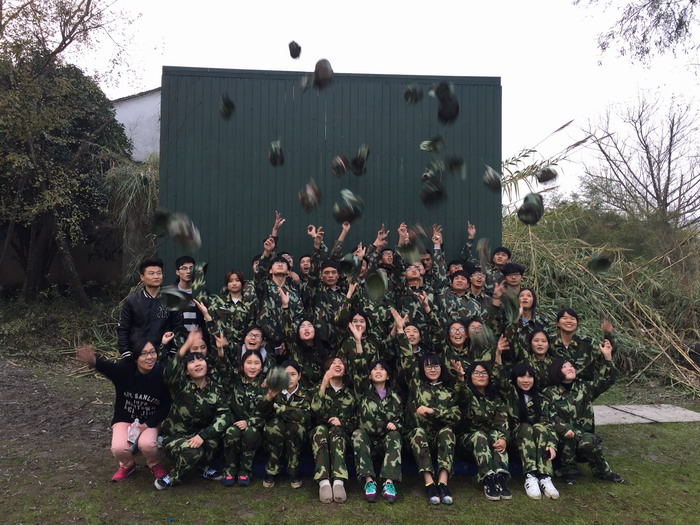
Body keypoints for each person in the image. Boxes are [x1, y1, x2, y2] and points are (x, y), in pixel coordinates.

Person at [75, 338, 170, 483]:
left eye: (152, 352)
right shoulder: (125, 371)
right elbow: (108, 368)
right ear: (136, 357)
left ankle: (154, 464)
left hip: (149, 420)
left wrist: (147, 424)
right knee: (119, 448)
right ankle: (128, 465)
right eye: (144, 353)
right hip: (125, 418)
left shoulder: (162, 375)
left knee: (147, 444)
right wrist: (93, 360)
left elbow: (166, 405)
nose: (149, 357)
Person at [542, 338, 624, 485]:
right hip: (560, 440)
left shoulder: (584, 388)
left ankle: (603, 471)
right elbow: (549, 416)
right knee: (567, 434)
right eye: (564, 367)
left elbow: (606, 381)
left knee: (588, 441)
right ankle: (568, 470)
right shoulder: (549, 393)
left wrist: (607, 357)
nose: (570, 368)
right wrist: (565, 429)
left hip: (582, 438)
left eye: (571, 366)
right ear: (556, 371)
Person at [154, 342, 232, 489]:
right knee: (193, 451)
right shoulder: (180, 384)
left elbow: (225, 415)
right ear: (186, 371)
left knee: (214, 441)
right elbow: (169, 372)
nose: (197, 364)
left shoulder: (216, 389)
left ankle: (203, 467)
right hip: (175, 438)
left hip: (199, 436)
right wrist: (185, 347)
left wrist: (203, 435)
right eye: (192, 362)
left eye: (200, 360)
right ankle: (173, 477)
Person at [401, 325, 460, 506]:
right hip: (419, 437)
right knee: (418, 432)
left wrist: (433, 412)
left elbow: (456, 416)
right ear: (422, 369)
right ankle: (429, 484)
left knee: (448, 432)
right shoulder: (417, 386)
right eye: (428, 366)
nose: (432, 369)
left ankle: (443, 483)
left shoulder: (448, 391)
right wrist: (401, 331)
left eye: (435, 366)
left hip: (439, 437)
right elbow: (408, 358)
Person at [494, 361, 559, 500]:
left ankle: (544, 476)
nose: (526, 380)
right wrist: (498, 357)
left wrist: (552, 444)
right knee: (525, 427)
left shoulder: (541, 399)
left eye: (529, 377)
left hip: (538, 442)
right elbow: (499, 379)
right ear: (515, 378)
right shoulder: (509, 396)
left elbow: (549, 424)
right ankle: (530, 476)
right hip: (515, 441)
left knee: (540, 427)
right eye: (522, 376)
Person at [453, 361, 511, 501]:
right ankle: (487, 478)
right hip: (468, 442)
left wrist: (504, 439)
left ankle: (500, 477)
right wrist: (460, 378)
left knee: (497, 435)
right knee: (480, 435)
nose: (481, 375)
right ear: (470, 376)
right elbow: (461, 394)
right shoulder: (467, 394)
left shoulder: (495, 397)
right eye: (477, 373)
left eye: (484, 373)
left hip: (489, 441)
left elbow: (502, 422)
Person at [352, 360, 402, 503]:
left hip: (386, 441)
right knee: (357, 434)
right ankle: (369, 481)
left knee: (395, 435)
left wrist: (395, 424)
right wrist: (358, 347)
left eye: (382, 369)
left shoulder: (395, 397)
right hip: (367, 441)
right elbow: (359, 370)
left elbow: (402, 421)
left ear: (388, 376)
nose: (378, 371)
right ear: (369, 375)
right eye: (374, 369)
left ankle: (388, 483)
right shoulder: (362, 393)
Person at [310, 357, 357, 503]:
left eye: (340, 363)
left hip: (341, 434)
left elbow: (357, 419)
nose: (337, 365)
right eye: (333, 363)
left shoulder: (350, 393)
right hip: (320, 431)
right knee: (320, 430)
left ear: (345, 371)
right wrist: (324, 384)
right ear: (326, 370)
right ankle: (323, 482)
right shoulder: (317, 389)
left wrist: (342, 422)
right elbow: (314, 410)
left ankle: (338, 482)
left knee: (337, 431)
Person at [117, 258, 184, 357]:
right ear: (142, 277)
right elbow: (123, 328)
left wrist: (173, 352)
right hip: (137, 354)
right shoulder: (132, 301)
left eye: (159, 273)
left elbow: (178, 327)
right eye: (151, 273)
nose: (156, 276)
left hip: (164, 354)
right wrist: (126, 353)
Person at [220, 349, 269, 487]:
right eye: (249, 363)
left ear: (261, 366)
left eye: (256, 363)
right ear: (242, 365)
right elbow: (224, 368)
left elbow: (267, 413)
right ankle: (230, 469)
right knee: (232, 432)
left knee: (250, 432)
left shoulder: (265, 385)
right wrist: (220, 350)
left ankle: (245, 470)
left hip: (255, 427)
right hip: (234, 423)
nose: (252, 367)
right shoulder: (234, 380)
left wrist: (249, 422)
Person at [260, 360, 311, 489]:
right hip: (275, 431)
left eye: (293, 374)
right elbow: (262, 412)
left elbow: (304, 416)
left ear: (299, 376)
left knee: (295, 427)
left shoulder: (306, 394)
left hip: (296, 433)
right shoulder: (273, 390)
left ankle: (293, 470)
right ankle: (272, 469)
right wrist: (268, 398)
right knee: (274, 426)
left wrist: (281, 409)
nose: (289, 378)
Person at [205, 269, 258, 346]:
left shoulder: (249, 304)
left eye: (237, 280)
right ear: (226, 284)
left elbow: (251, 326)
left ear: (242, 283)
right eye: (230, 281)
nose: (234, 283)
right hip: (220, 345)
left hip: (240, 346)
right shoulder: (217, 301)